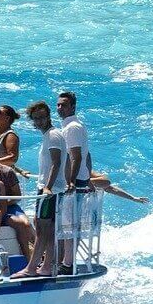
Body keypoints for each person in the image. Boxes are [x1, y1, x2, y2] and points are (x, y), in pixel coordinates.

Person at [12, 100, 66, 278]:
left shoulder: (53, 136)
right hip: (50, 189)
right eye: (36, 118)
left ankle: (31, 268)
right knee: (47, 229)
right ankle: (47, 266)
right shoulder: (49, 135)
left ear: (49, 116)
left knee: (42, 229)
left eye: (43, 117)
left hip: (49, 190)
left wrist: (47, 188)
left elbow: (56, 163)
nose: (40, 121)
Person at [56, 90, 93, 271]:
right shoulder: (75, 126)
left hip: (74, 181)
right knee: (70, 223)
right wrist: (89, 176)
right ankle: (65, 261)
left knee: (69, 224)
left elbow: (76, 157)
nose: (60, 108)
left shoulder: (72, 128)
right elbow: (87, 155)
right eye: (58, 104)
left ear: (73, 107)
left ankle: (67, 263)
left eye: (64, 105)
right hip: (80, 179)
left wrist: (70, 181)